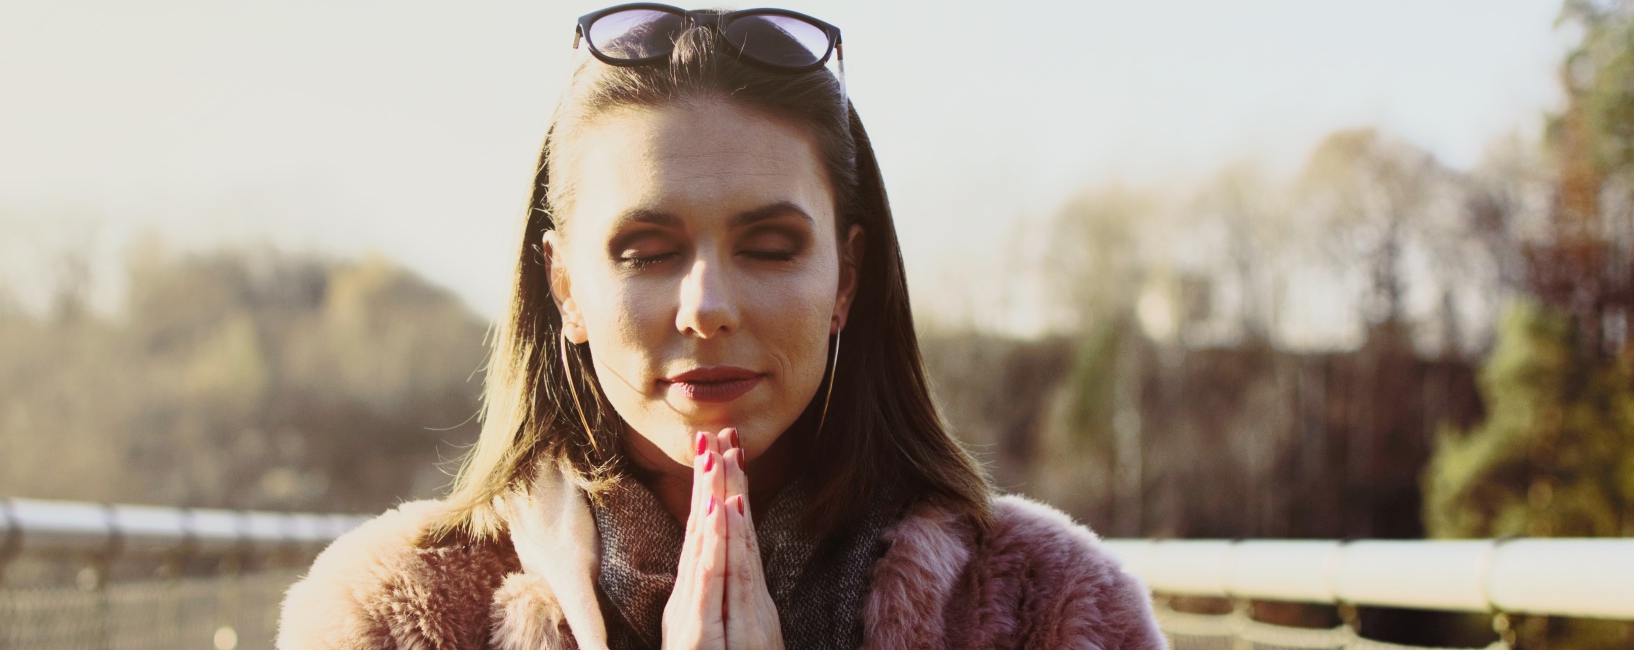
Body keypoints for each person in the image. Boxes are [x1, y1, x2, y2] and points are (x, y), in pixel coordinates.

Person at [277, 4, 1165, 649]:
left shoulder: (1047, 612)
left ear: (846, 276)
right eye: (647, 250)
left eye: (772, 247)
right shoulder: (391, 616)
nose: (707, 306)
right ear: (565, 287)